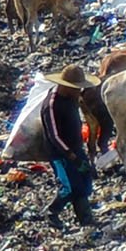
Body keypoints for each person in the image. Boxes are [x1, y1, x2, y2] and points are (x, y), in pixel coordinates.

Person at [43, 63, 100, 229]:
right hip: (60, 154)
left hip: (76, 148)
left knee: (84, 182)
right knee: (68, 187)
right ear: (65, 86)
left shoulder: (72, 98)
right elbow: (54, 135)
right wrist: (71, 155)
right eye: (76, 88)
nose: (79, 91)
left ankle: (86, 219)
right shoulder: (52, 104)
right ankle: (52, 212)